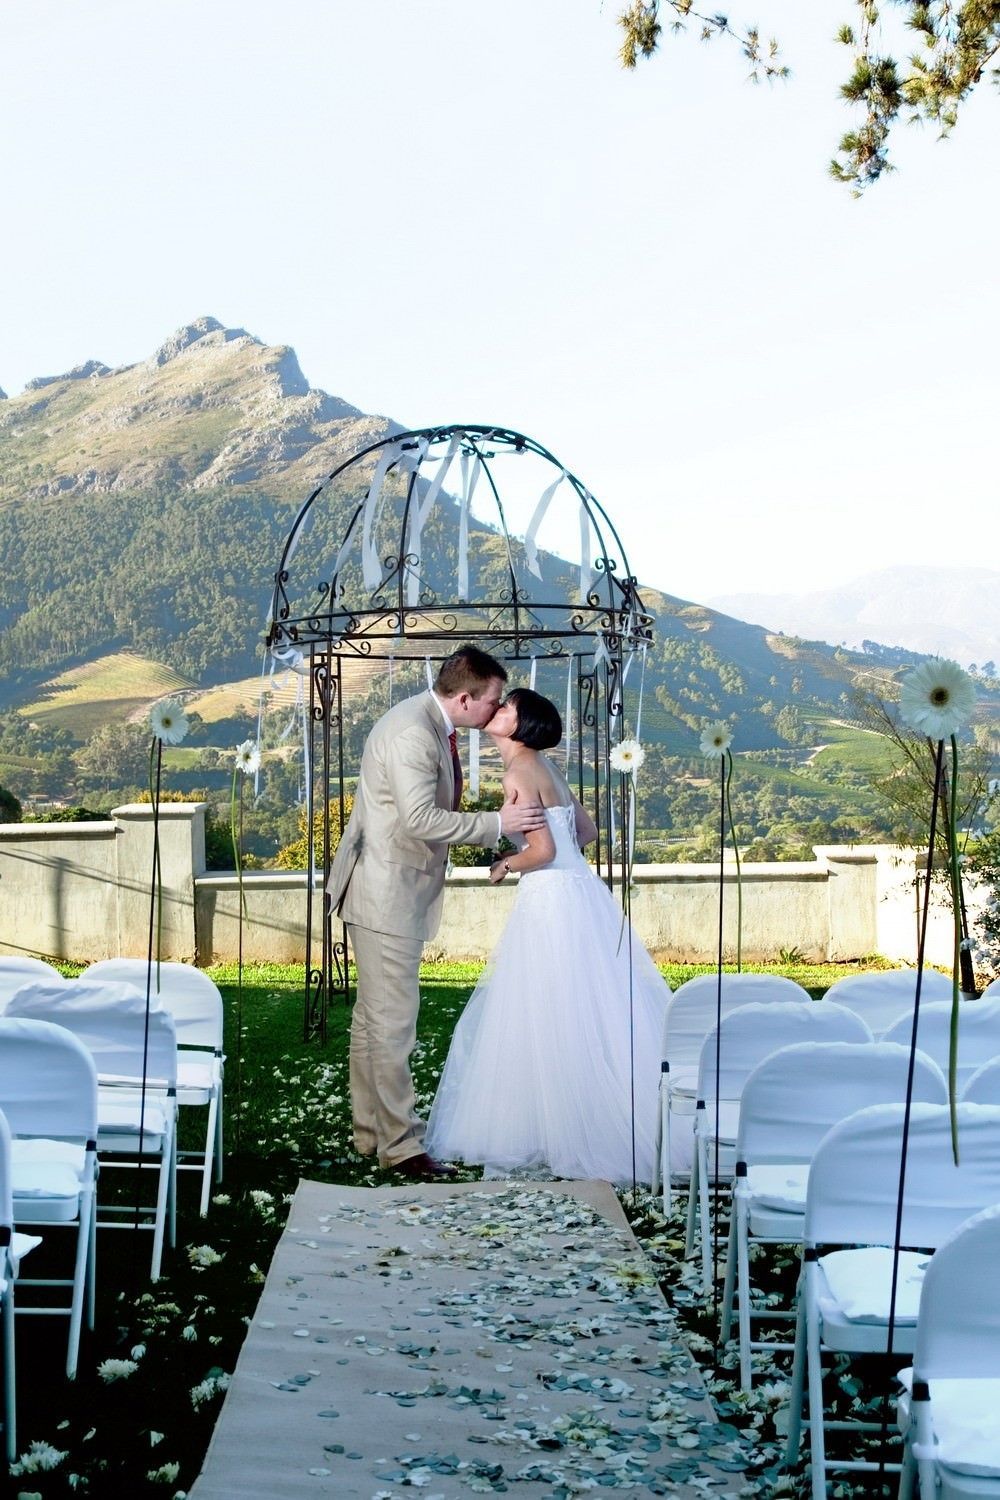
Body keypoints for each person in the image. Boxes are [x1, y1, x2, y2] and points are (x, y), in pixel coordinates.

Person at [425, 687, 670, 1184]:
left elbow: (542, 850)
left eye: (509, 707)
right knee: (587, 1006)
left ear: (522, 725)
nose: (499, 710)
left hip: (550, 899)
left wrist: (504, 864)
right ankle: (585, 1116)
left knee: (544, 1008)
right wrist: (556, 860)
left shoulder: (518, 771)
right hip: (580, 891)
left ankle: (557, 1128)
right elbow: (586, 832)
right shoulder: (548, 768)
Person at [327, 646, 547, 1179]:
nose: (496, 711)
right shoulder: (412, 733)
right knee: (392, 1023)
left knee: (372, 1020)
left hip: (389, 888)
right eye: (493, 701)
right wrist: (498, 823)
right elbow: (423, 819)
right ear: (466, 697)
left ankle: (370, 1134)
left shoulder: (429, 723)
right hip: (385, 893)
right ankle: (402, 1148)